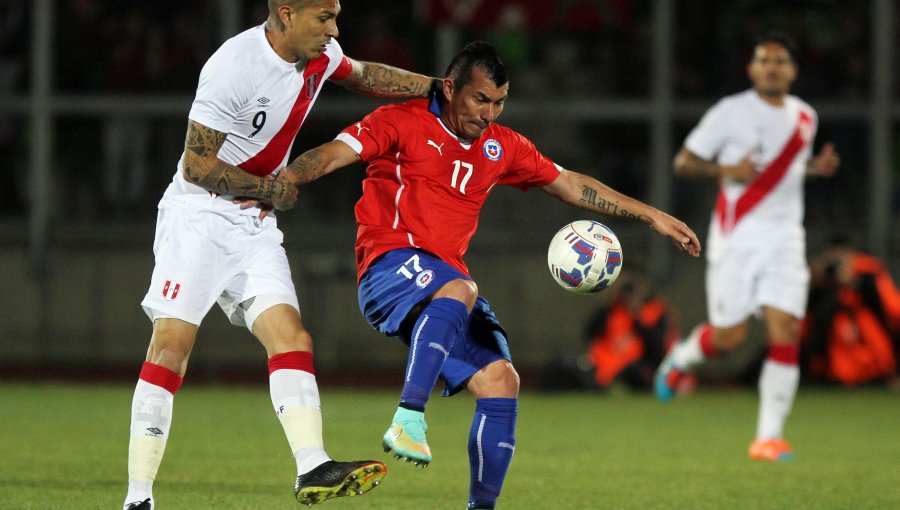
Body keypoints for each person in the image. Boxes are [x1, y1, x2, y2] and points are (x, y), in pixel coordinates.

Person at [275, 41, 701, 509]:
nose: (489, 113)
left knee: (501, 380)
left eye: (499, 102)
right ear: (452, 88)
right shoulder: (401, 120)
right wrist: (278, 184)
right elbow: (333, 154)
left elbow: (571, 184)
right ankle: (408, 417)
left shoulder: (503, 146)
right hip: (388, 265)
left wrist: (651, 215)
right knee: (461, 287)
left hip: (444, 284)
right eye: (481, 100)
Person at [122, 2, 437, 509]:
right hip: (199, 217)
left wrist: (437, 87)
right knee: (170, 349)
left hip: (255, 222)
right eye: (323, 18)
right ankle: (138, 498)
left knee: (292, 336)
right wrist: (272, 186)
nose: (334, 30)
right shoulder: (234, 65)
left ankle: (312, 466)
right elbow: (197, 164)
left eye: (336, 16)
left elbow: (364, 75)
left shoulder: (320, 54)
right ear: (286, 14)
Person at [654, 31, 841, 462]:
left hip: (785, 239)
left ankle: (768, 438)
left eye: (780, 61)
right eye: (763, 60)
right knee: (729, 338)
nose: (772, 67)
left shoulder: (805, 117)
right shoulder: (730, 111)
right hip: (736, 239)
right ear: (752, 68)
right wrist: (726, 168)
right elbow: (683, 161)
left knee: (787, 328)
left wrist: (815, 168)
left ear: (793, 71)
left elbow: (788, 170)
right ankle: (681, 358)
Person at [804, 238, 900, 387]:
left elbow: (891, 309)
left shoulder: (868, 273)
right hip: (836, 359)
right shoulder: (824, 285)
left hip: (873, 344)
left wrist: (854, 282)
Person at [585, 268, 681, 391]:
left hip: (639, 368)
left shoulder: (654, 310)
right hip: (606, 369)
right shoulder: (610, 311)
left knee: (635, 372)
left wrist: (636, 314)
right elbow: (589, 332)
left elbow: (657, 350)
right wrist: (610, 300)